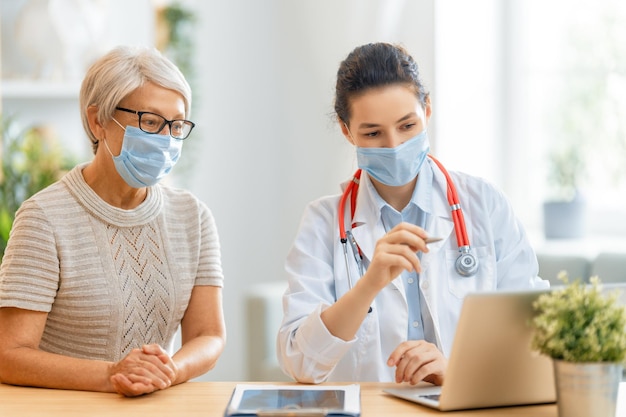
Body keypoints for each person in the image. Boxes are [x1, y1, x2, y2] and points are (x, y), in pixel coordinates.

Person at [277, 42, 548, 386]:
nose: (394, 145)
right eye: (373, 133)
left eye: (407, 126)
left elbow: (536, 332)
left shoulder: (484, 204)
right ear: (347, 131)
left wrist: (457, 372)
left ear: (427, 110)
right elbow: (301, 363)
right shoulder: (322, 222)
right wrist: (369, 284)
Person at [0, 45, 226, 397]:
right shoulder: (43, 218)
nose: (165, 139)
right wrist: (113, 376)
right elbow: (9, 355)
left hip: (153, 404)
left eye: (177, 125)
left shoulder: (192, 217)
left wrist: (168, 371)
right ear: (98, 121)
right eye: (150, 122)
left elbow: (208, 335)